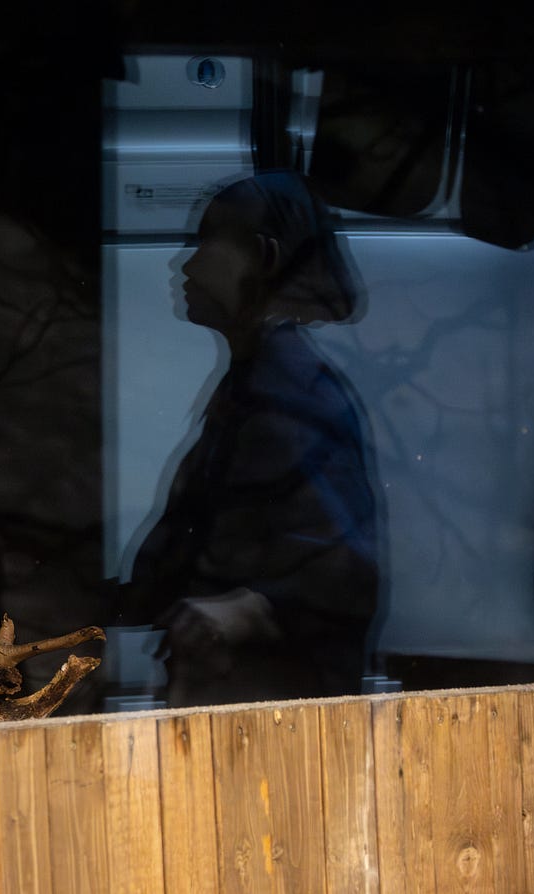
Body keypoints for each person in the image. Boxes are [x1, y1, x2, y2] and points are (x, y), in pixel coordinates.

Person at [121, 171, 380, 705]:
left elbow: (347, 572)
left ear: (262, 258)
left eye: (206, 241)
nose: (184, 263)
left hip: (270, 722)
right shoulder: (258, 382)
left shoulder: (287, 391)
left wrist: (249, 609)